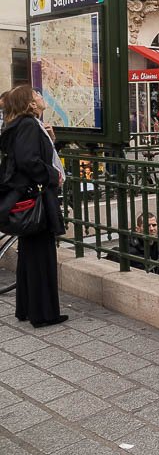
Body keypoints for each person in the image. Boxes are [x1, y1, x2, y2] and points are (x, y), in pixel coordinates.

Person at [0, 86, 67, 328]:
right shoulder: (28, 124)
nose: (40, 96)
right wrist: (53, 176)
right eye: (36, 94)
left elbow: (32, 155)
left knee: (29, 255)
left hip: (27, 197)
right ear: (30, 104)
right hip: (37, 199)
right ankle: (44, 314)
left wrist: (50, 140)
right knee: (41, 255)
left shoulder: (21, 124)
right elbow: (28, 160)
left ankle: (27, 308)